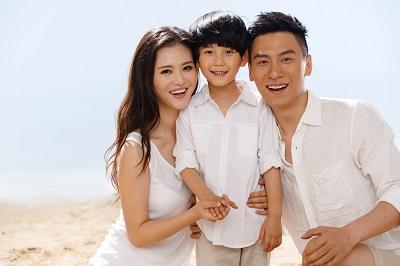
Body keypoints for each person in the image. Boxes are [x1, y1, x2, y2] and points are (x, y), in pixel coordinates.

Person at [90, 25, 269, 266]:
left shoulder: (202, 131)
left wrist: (262, 196)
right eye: (166, 71)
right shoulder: (137, 149)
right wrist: (193, 215)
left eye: (187, 68)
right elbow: (138, 235)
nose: (180, 80)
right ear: (147, 79)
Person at [247, 11, 400, 266]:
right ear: (250, 70)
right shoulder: (254, 137)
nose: (274, 72)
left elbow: (397, 189)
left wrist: (347, 236)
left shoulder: (354, 117)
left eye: (286, 59)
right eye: (263, 62)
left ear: (307, 64)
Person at [174, 11, 282, 266]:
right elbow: (185, 162)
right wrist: (207, 198)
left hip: (255, 223)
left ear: (244, 58)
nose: (219, 61)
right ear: (197, 58)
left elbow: (270, 162)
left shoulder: (259, 107)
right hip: (211, 227)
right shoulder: (190, 110)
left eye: (228, 52)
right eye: (209, 52)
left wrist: (275, 216)